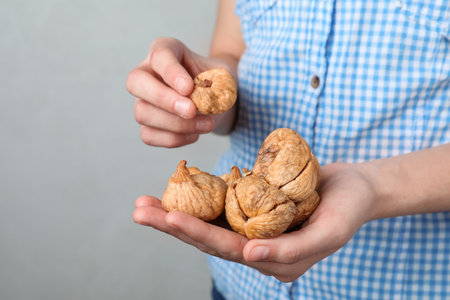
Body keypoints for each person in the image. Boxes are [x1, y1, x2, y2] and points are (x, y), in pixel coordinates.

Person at [127, 0, 450, 299]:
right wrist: (196, 96)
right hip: (241, 286)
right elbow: (232, 55)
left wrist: (373, 187)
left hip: (391, 283)